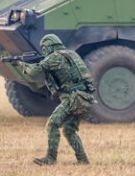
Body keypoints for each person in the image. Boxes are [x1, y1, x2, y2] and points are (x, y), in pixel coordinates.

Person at [17, 34, 95, 165]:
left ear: (49, 46)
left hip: (72, 99)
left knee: (52, 124)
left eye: (44, 48)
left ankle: (50, 159)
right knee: (69, 130)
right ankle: (83, 160)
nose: (44, 51)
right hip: (84, 98)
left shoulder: (54, 57)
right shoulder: (71, 54)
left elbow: (33, 71)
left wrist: (19, 63)